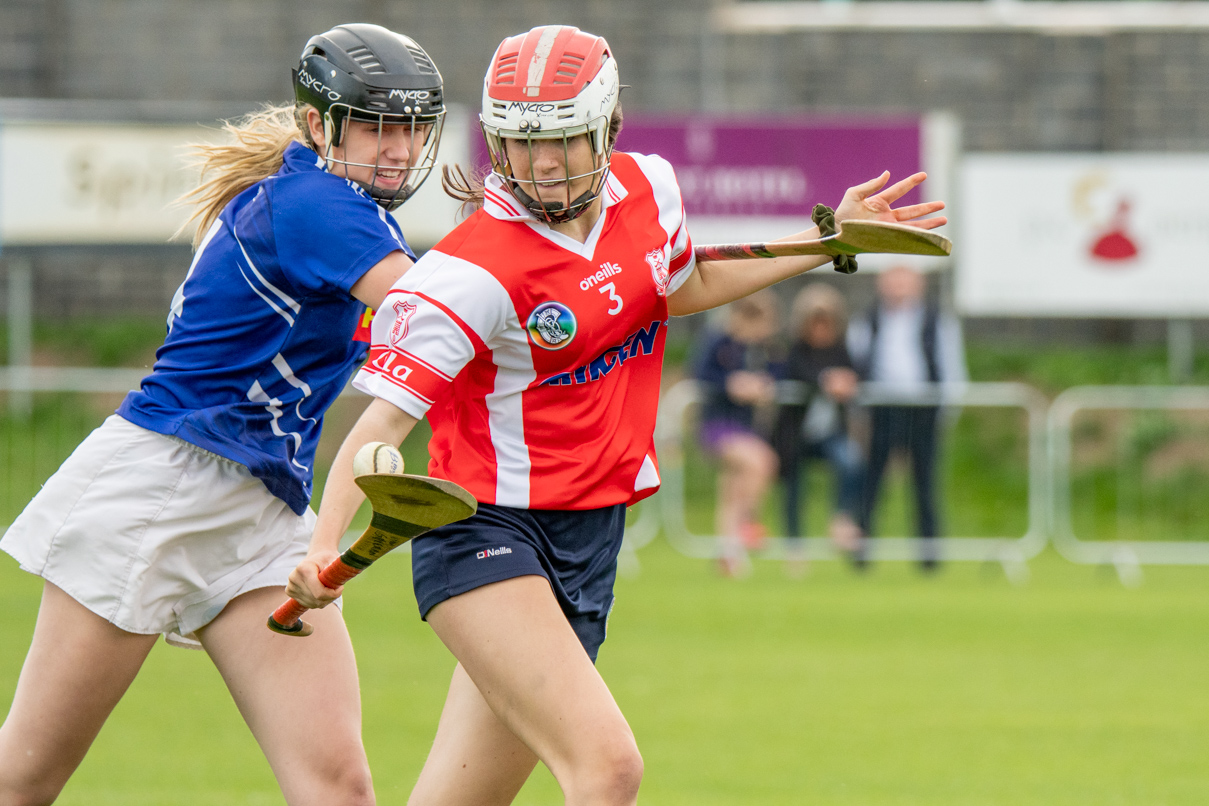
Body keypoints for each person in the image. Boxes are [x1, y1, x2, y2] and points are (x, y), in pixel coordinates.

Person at [285, 24, 946, 806]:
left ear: (607, 128)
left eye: (563, 140)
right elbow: (379, 429)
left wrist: (827, 239)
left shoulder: (649, 189)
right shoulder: (465, 275)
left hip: (590, 537)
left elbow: (677, 286)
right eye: (521, 144)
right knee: (607, 768)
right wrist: (323, 546)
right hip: (483, 534)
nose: (543, 164)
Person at [0, 23, 445, 806]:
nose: (399, 149)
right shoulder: (315, 201)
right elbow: (438, 316)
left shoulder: (349, 211)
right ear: (318, 124)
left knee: (338, 787)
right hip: (158, 488)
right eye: (375, 125)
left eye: (411, 128)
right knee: (24, 779)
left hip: (260, 507)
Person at [847, 263, 967, 571]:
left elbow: (951, 365)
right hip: (882, 406)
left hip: (923, 406)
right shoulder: (868, 320)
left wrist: (946, 409)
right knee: (871, 481)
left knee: (925, 484)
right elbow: (855, 364)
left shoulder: (936, 319)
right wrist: (858, 410)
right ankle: (861, 553)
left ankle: (929, 557)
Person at [773, 283, 865, 572]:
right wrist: (827, 380)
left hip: (828, 435)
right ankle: (794, 549)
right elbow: (799, 372)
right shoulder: (794, 351)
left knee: (851, 461)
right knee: (794, 492)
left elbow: (857, 373)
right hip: (794, 437)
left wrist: (848, 382)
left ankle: (841, 517)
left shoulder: (841, 351)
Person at [693, 290, 784, 577]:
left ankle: (728, 553)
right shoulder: (719, 341)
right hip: (719, 424)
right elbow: (700, 374)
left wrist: (763, 385)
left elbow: (780, 372)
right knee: (762, 462)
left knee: (732, 487)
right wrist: (732, 384)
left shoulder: (764, 348)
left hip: (746, 426)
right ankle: (749, 523)